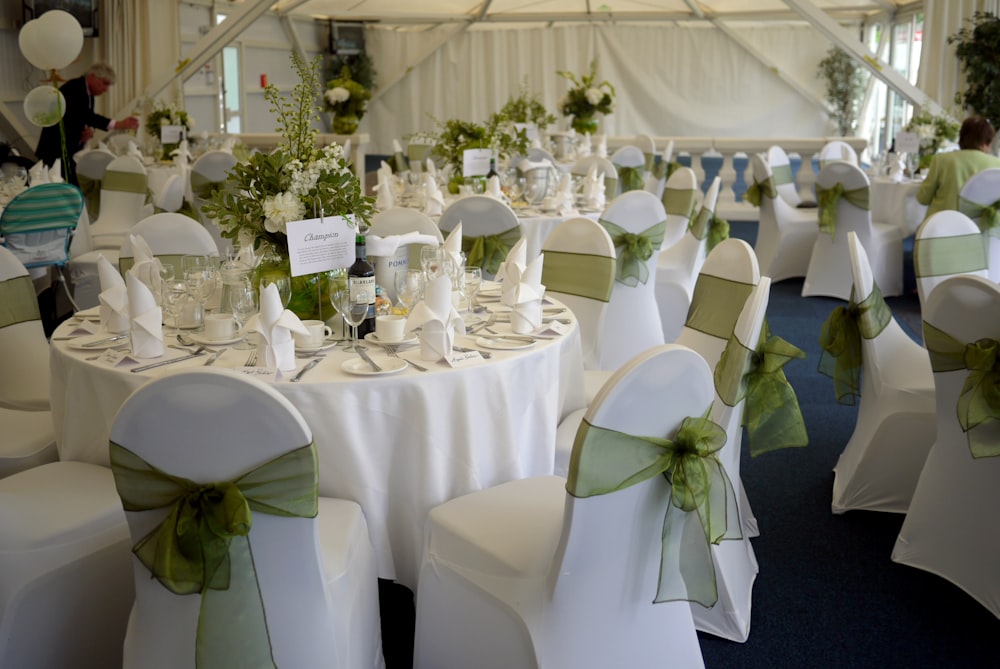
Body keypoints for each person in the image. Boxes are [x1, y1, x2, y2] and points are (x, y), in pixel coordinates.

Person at [34, 63, 139, 184]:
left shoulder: (87, 92)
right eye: (105, 83)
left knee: (75, 185)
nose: (106, 89)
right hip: (55, 149)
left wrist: (91, 129)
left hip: (66, 151)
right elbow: (86, 115)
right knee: (69, 188)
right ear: (93, 76)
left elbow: (83, 118)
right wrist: (117, 124)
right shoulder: (75, 88)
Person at [916, 115, 1000, 219]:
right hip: (981, 231)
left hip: (941, 227)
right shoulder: (997, 164)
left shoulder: (940, 160)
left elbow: (922, 199)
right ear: (984, 143)